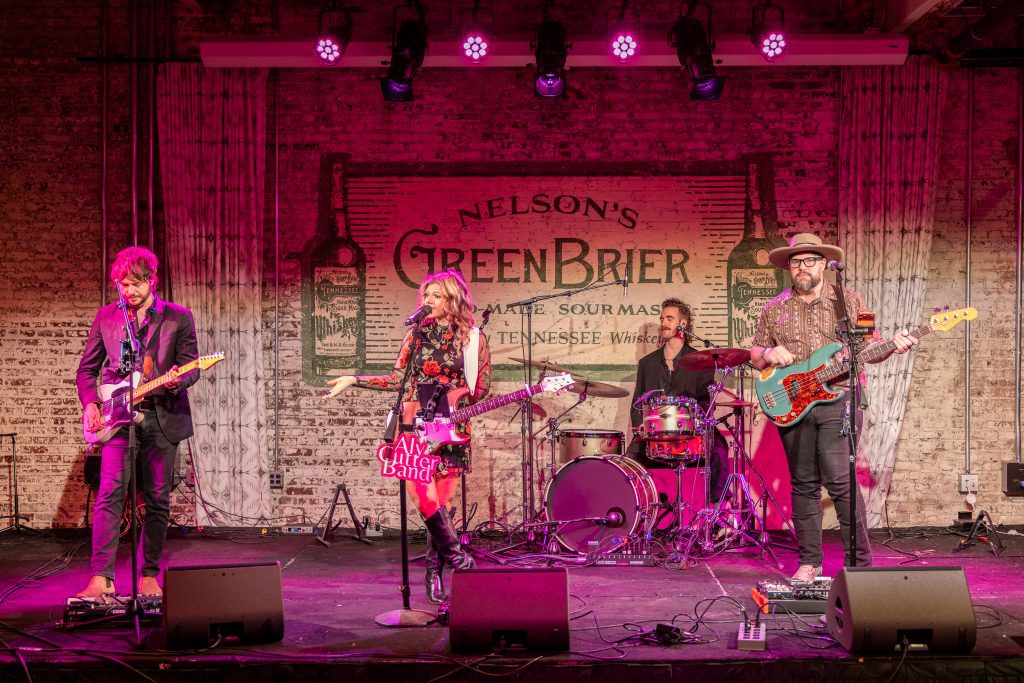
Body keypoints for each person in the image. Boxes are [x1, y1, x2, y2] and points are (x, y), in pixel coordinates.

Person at [750, 233, 917, 582]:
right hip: (793, 402)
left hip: (838, 397)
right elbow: (754, 352)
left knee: (841, 481)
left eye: (809, 260)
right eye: (796, 262)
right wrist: (767, 355)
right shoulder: (774, 308)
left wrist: (895, 344)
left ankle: (859, 566)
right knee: (803, 484)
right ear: (789, 268)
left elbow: (872, 345)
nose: (802, 268)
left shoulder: (849, 300)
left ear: (824, 264)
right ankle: (809, 563)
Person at [323, 269, 491, 605]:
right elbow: (395, 380)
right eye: (425, 296)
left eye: (436, 296)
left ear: (453, 300)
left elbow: (482, 389)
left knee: (443, 505)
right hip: (413, 424)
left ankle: (434, 574)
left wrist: (452, 404)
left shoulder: (472, 339)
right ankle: (459, 560)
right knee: (424, 500)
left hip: (450, 430)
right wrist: (354, 379)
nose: (428, 301)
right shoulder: (415, 336)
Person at [76, 246, 199, 599]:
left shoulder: (178, 317)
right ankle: (101, 577)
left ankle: (148, 576)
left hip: (163, 416)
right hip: (118, 419)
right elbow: (87, 370)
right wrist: (90, 403)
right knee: (110, 496)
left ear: (152, 281)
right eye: (122, 285)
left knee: (158, 499)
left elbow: (191, 367)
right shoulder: (107, 317)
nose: (128, 291)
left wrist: (179, 378)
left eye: (134, 284)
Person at [627, 298, 731, 510]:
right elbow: (637, 401)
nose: (663, 322)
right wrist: (640, 425)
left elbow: (704, 401)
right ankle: (638, 513)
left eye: (669, 318)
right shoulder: (647, 363)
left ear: (682, 324)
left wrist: (694, 423)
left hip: (690, 431)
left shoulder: (701, 359)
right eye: (662, 318)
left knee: (719, 451)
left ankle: (718, 512)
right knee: (629, 460)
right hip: (655, 432)